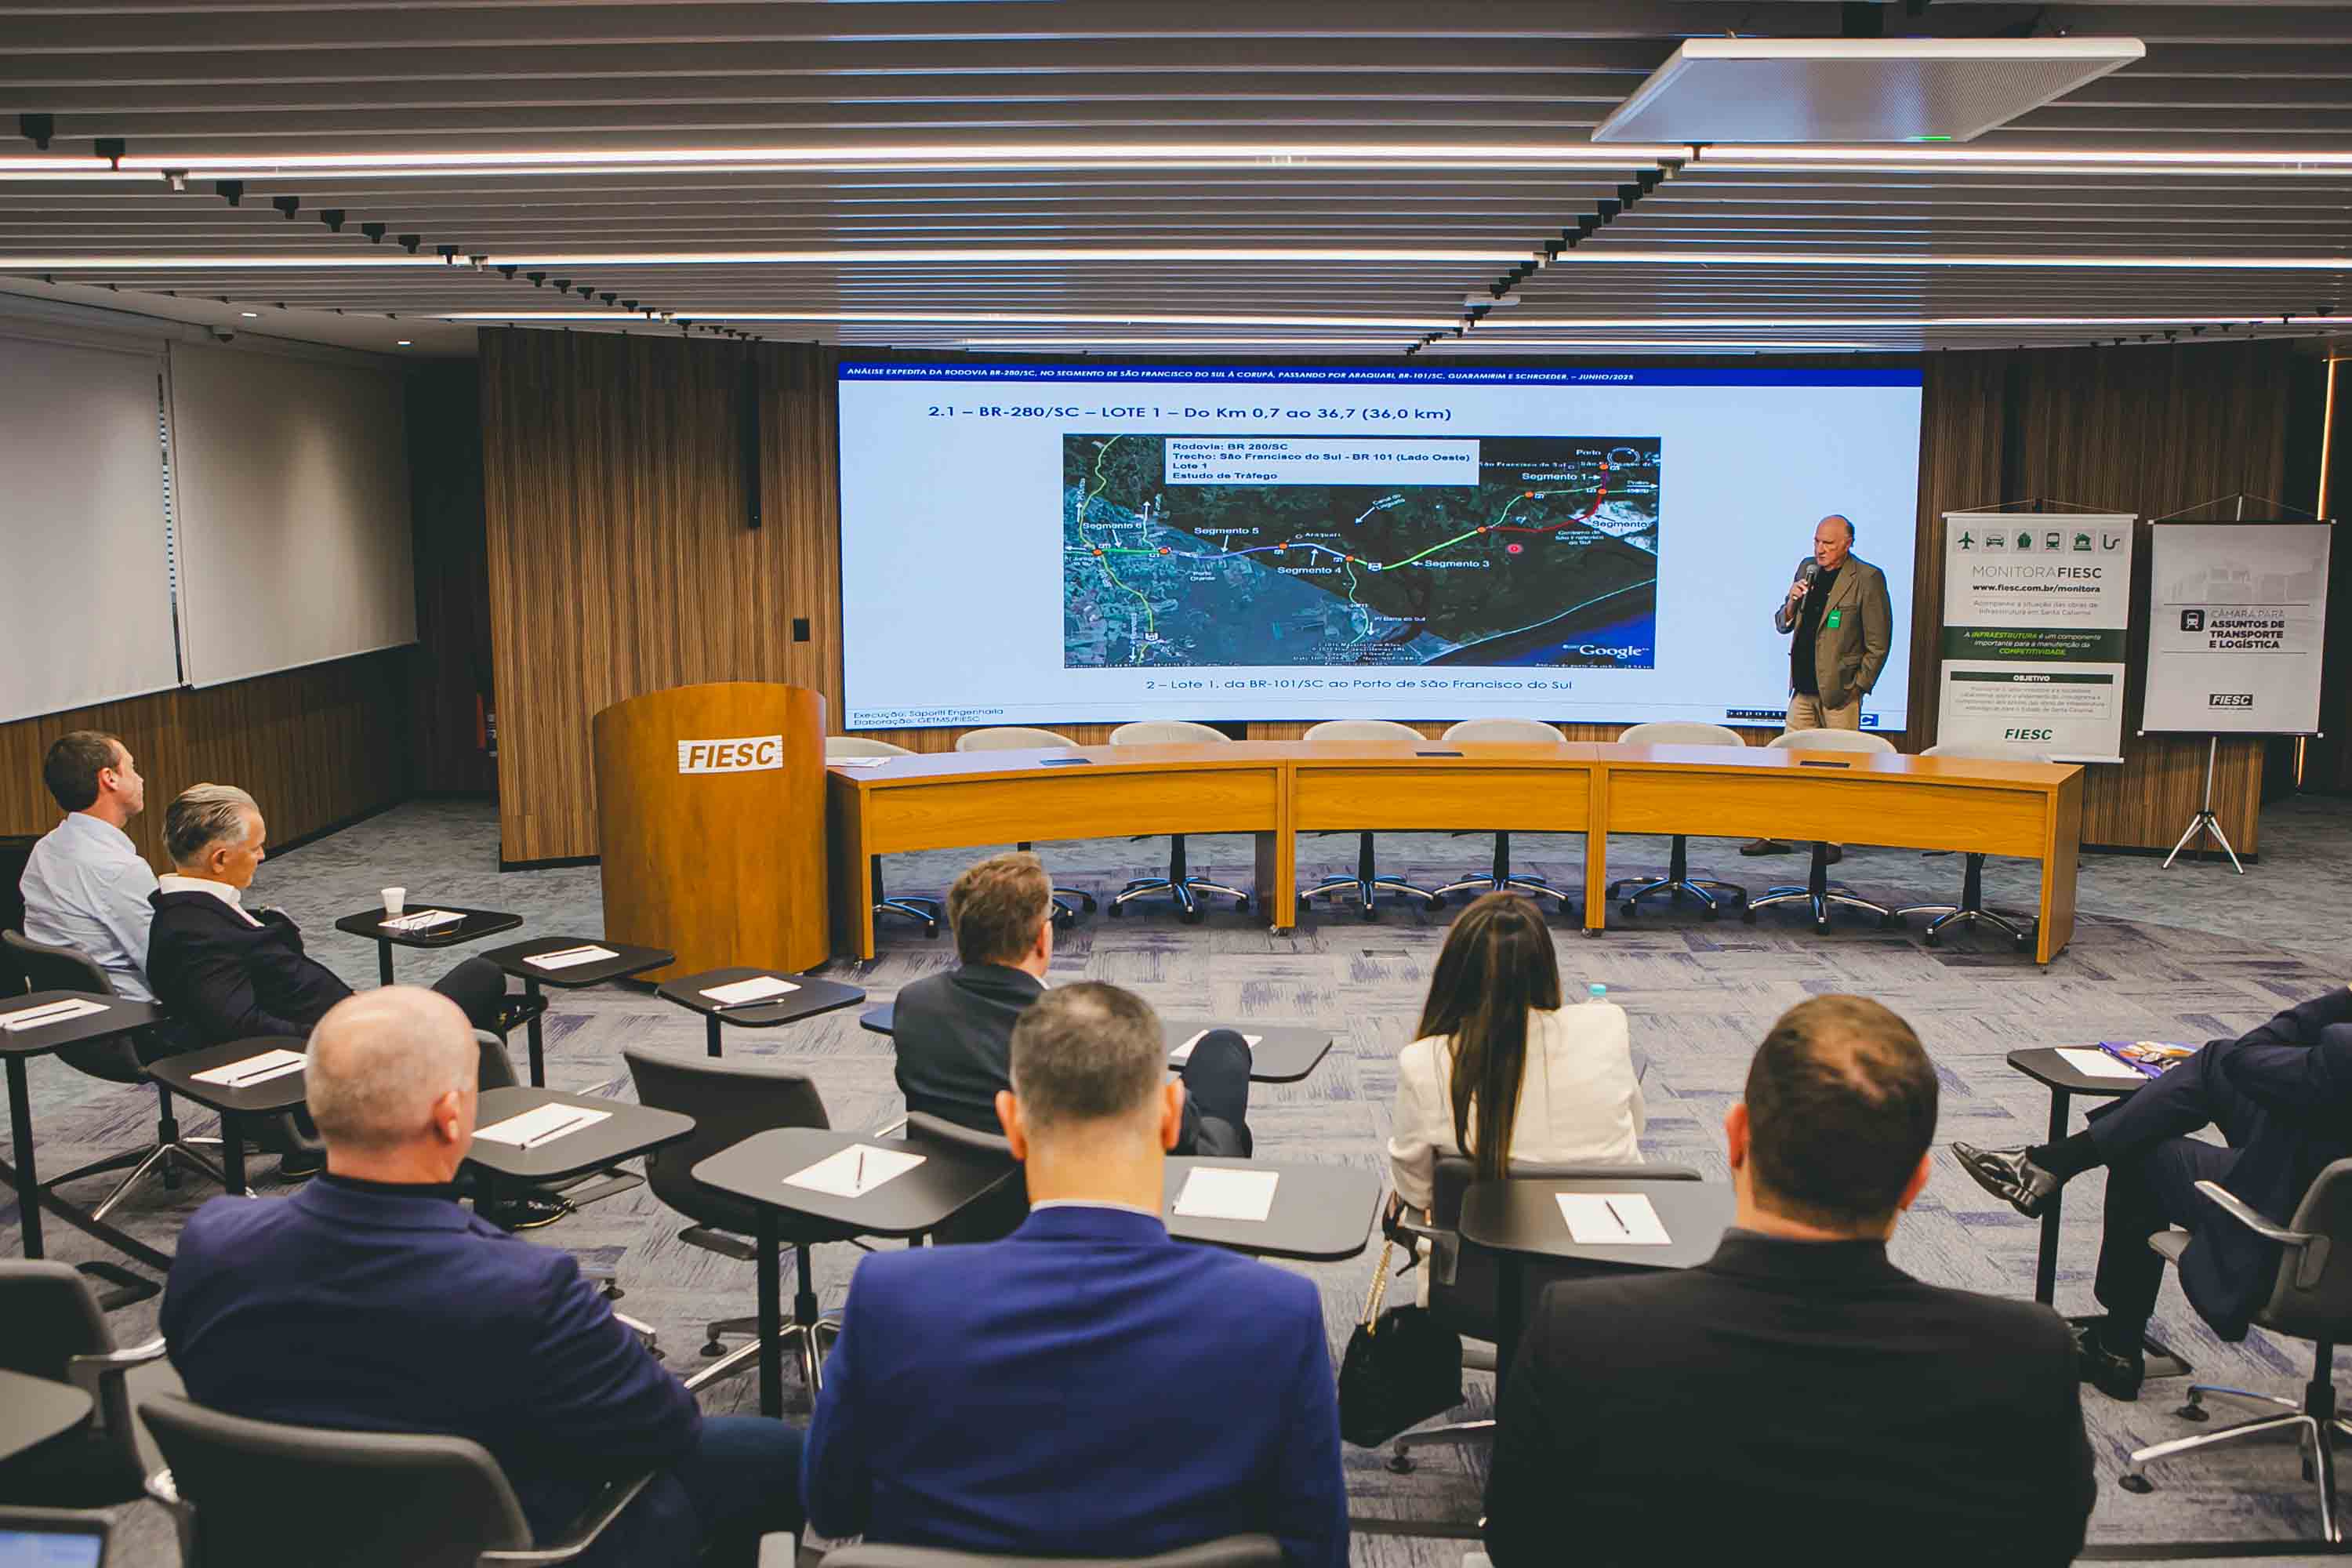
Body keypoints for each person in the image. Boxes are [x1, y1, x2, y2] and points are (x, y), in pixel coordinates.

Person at [160, 988, 803, 1568]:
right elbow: (664, 1430)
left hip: (275, 1538)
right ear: (451, 1116)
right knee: (771, 1452)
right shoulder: (526, 1287)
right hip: (510, 1544)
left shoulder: (213, 1241)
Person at [1483, 996, 2093, 1568]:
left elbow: (1518, 1543)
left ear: (1736, 1139)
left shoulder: (1579, 1333)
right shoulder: (2027, 1356)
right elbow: (2048, 1546)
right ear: (1916, 1182)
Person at [803, 981, 1346, 1567]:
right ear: (1171, 1118)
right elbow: (1317, 1551)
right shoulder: (1279, 1315)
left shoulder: (889, 1299)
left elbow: (833, 1510)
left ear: (1012, 1124)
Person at [1953, 985, 2352, 1399]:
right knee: (2213, 1062)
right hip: (2328, 1151)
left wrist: (2344, 998)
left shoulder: (2344, 1050)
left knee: (2142, 1153)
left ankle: (2117, 1348)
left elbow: (2250, 1054)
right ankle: (2053, 1162)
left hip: (2302, 1215)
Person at [891, 850, 1250, 1155]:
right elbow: (1176, 1130)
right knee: (1223, 1050)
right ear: (1043, 939)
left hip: (953, 1191)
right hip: (1094, 1181)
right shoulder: (1083, 1029)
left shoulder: (915, 1004)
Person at [1388, 891, 1641, 1297]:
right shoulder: (1607, 1027)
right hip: (1608, 1283)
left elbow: (1416, 1192)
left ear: (1453, 977)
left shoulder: (1424, 1063)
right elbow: (1633, 1131)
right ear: (1547, 967)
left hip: (1476, 1292)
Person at [145, 783, 507, 1044]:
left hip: (349, 1018)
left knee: (474, 996)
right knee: (482, 976)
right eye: (255, 848)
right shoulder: (194, 932)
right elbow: (240, 1026)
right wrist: (339, 1033)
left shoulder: (193, 910)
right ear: (221, 859)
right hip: (348, 1044)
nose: (263, 856)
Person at [1743, 514, 1895, 858]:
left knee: (1839, 767)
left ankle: (1831, 838)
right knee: (1787, 763)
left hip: (1840, 693)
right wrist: (1792, 600)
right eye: (1816, 541)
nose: (1820, 549)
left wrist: (1858, 687)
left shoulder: (1867, 578)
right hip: (1802, 689)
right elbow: (1782, 624)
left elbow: (1879, 643)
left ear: (1848, 544)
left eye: (1828, 543)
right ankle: (1776, 833)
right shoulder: (1806, 569)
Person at [18, 731, 163, 1012]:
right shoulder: (119, 869)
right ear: (109, 778)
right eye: (132, 768)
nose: (141, 779)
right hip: (137, 1019)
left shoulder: (44, 849)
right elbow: (167, 965)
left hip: (72, 1015)